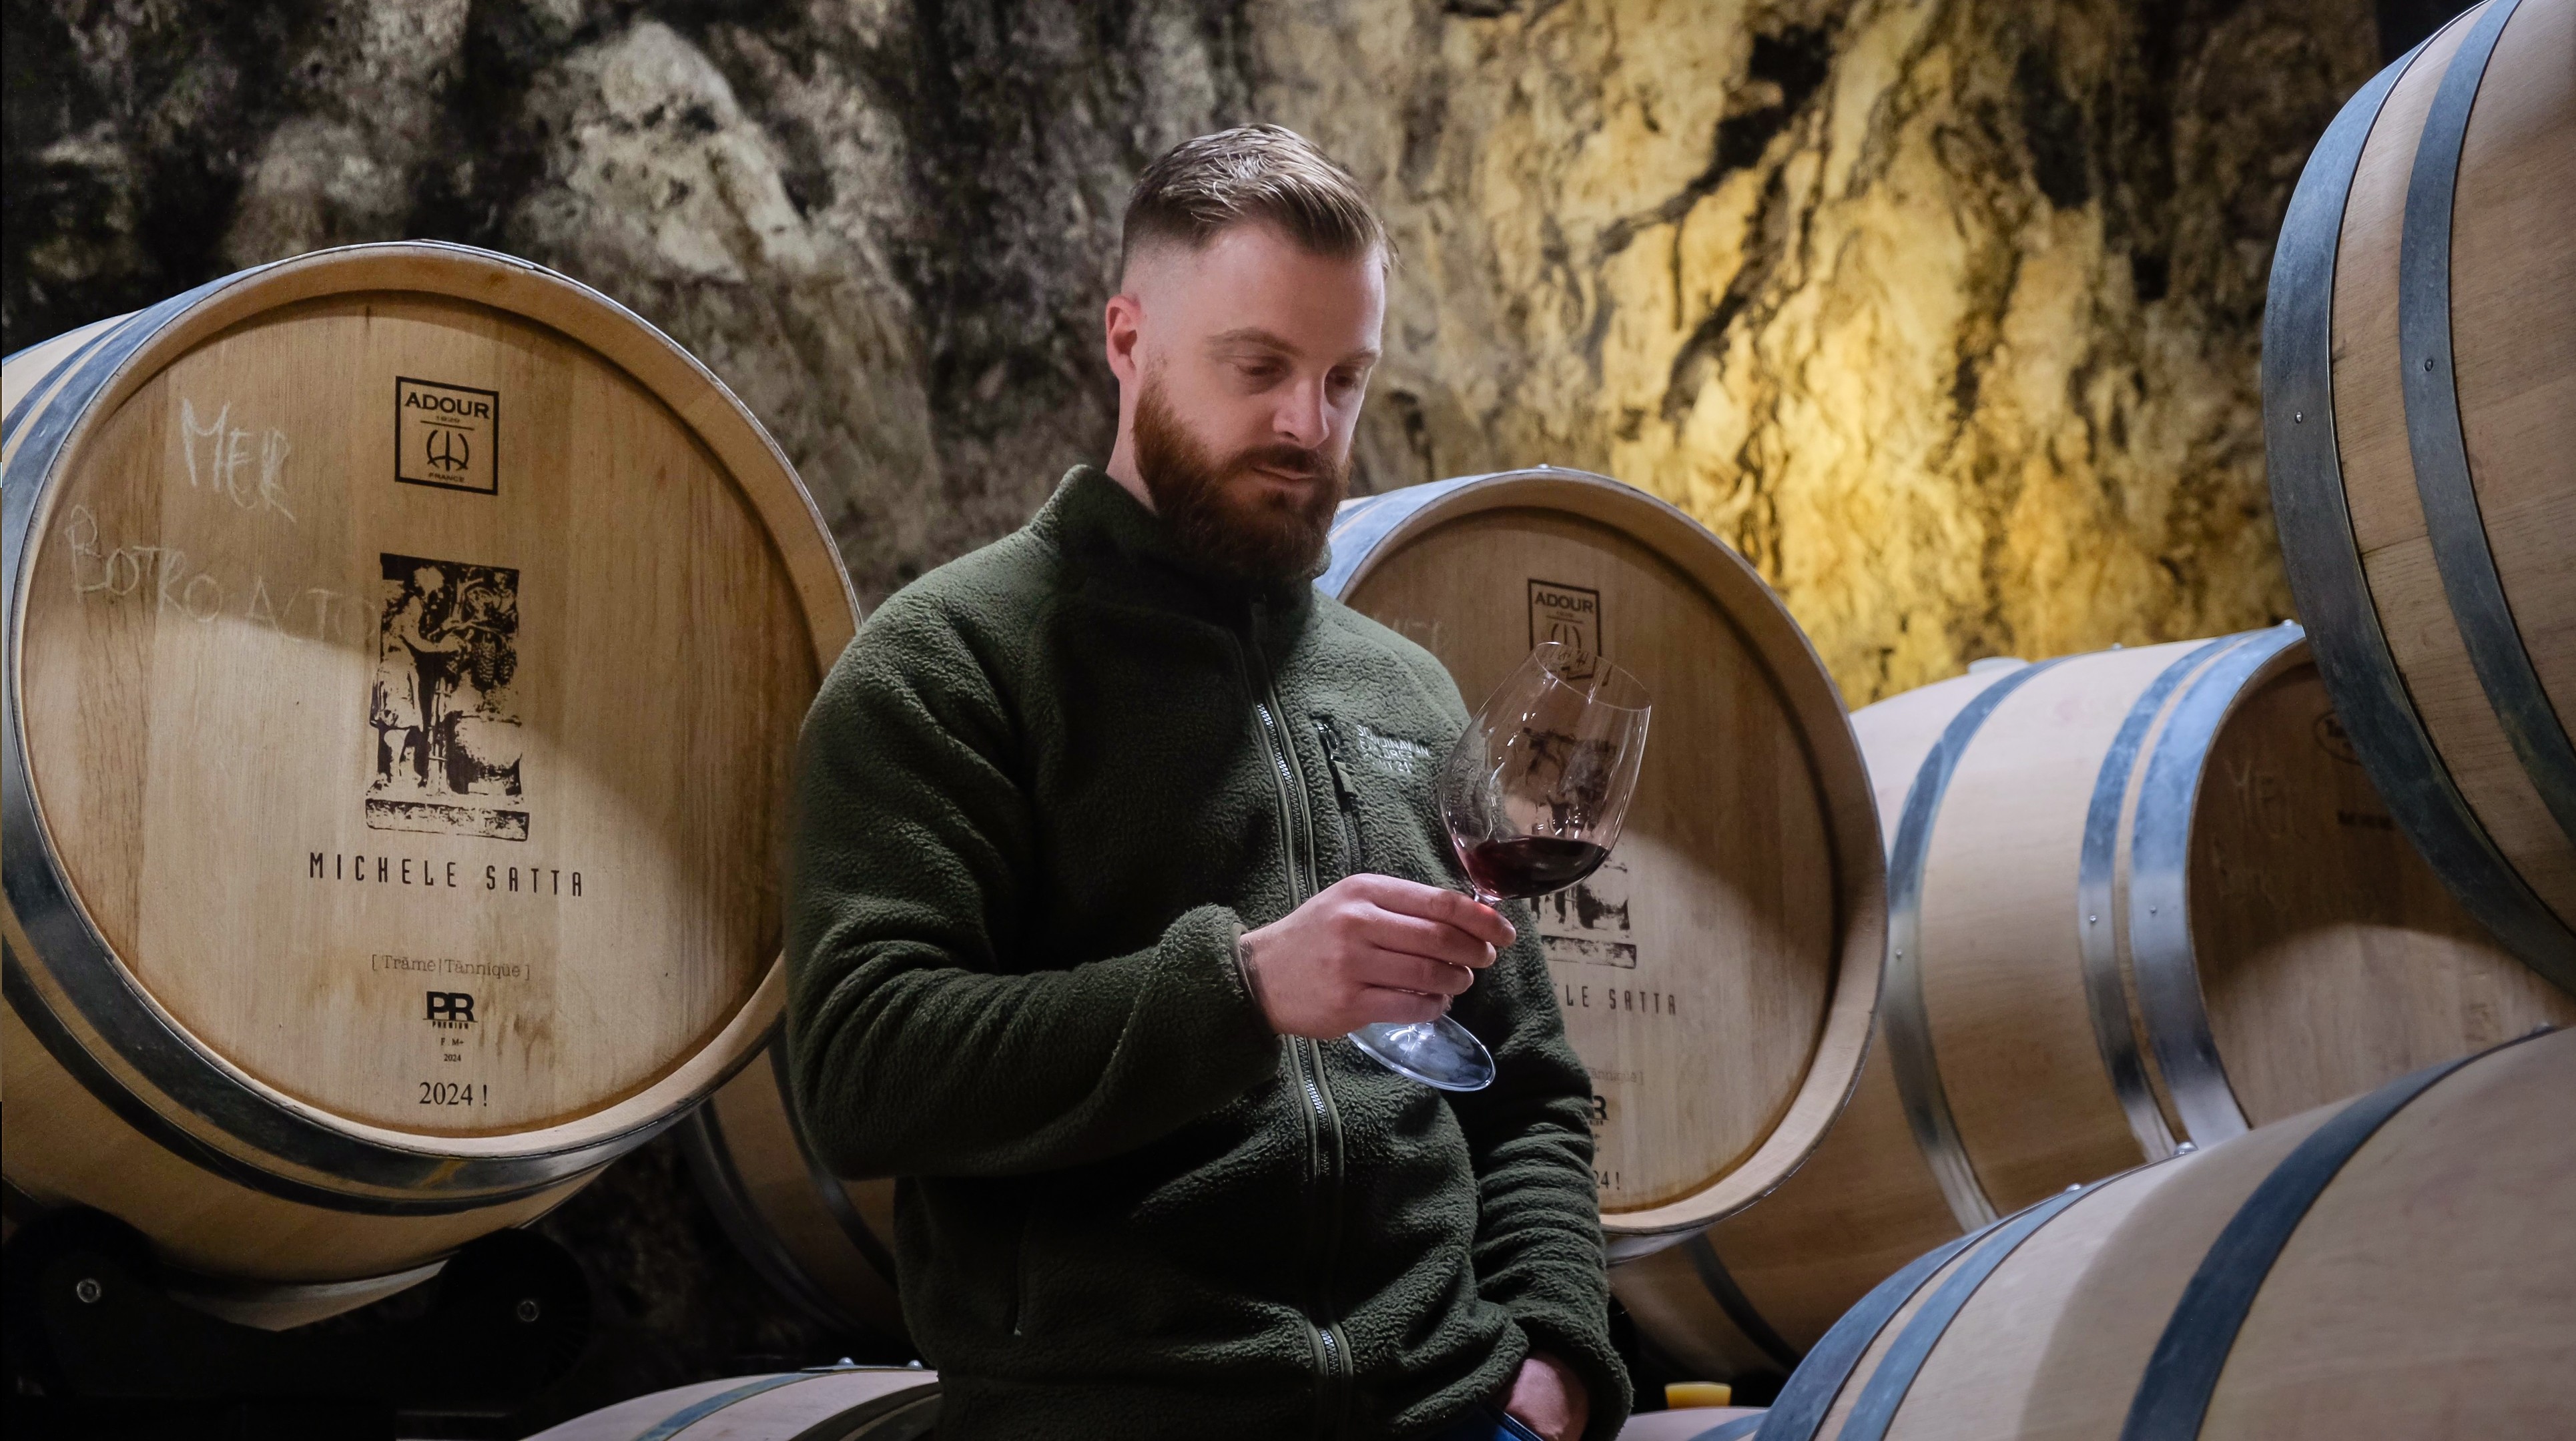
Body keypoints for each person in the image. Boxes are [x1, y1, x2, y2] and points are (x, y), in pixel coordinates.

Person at [786, 125, 1629, 1441]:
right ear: (1127, 341)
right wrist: (1240, 991)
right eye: (1260, 368)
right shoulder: (955, 660)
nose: (1308, 423)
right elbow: (861, 1069)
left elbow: (1525, 1085)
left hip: (1454, 1411)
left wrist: (1557, 1359)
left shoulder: (1403, 690)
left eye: (1345, 378)